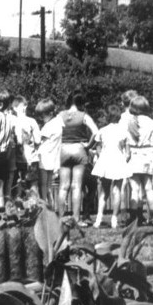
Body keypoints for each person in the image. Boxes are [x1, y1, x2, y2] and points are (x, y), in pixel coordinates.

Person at [57, 93, 99, 223]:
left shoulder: (60, 115)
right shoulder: (84, 116)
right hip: (79, 150)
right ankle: (76, 218)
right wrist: (88, 146)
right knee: (77, 186)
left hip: (63, 149)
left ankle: (60, 217)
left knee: (63, 186)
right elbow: (96, 133)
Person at [91, 103, 130, 228]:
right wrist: (124, 160)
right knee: (117, 190)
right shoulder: (123, 131)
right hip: (118, 160)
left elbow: (98, 149)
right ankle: (114, 219)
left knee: (104, 191)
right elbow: (128, 153)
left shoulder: (102, 130)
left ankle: (98, 219)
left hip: (106, 160)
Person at [125, 95, 153, 224]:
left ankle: (134, 217)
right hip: (148, 155)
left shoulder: (130, 122)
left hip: (134, 155)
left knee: (135, 189)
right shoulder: (152, 122)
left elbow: (127, 142)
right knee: (149, 188)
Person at [12, 95, 41, 196]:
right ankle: (35, 208)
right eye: (22, 106)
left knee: (19, 184)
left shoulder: (12, 121)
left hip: (17, 159)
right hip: (32, 158)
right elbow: (38, 140)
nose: (24, 108)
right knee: (33, 184)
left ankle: (17, 208)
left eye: (24, 105)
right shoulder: (32, 121)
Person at [36, 99, 61, 208]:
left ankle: (44, 206)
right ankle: (51, 205)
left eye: (42, 116)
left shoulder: (48, 126)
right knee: (49, 185)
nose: (41, 119)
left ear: (50, 113)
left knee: (43, 185)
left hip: (44, 157)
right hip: (53, 157)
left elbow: (38, 140)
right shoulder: (58, 122)